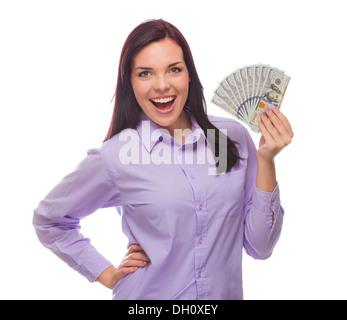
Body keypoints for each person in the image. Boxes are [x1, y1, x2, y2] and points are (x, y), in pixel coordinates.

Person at [33, 19, 293, 300]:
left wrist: (266, 159)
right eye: (145, 73)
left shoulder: (225, 139)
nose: (161, 85)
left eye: (174, 70)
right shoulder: (119, 155)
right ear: (129, 82)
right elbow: (50, 220)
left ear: (189, 75)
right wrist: (107, 274)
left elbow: (260, 247)